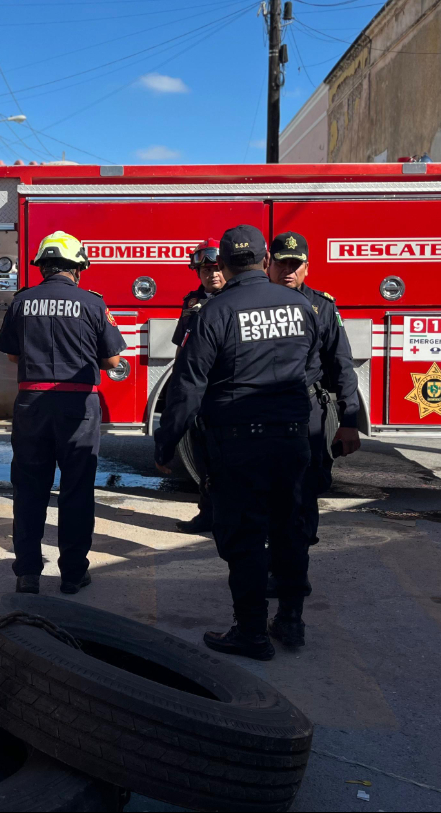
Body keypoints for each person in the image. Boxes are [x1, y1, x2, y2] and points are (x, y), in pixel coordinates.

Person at [154, 225, 318, 661]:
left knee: (244, 538)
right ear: (266, 261)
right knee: (290, 531)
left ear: (223, 265)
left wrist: (166, 443)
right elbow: (311, 367)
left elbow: (188, 386)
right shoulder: (302, 305)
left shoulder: (214, 312)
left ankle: (251, 633)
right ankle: (291, 620)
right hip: (291, 439)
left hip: (238, 444)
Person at [0, 231, 126, 596]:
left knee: (29, 491)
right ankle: (72, 574)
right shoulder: (93, 304)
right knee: (76, 491)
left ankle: (27, 574)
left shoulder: (22, 302)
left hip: (31, 405)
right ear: (78, 268)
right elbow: (113, 359)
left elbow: (10, 355)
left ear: (42, 267)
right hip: (77, 408)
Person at [264, 232, 360, 639]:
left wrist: (350, 421)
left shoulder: (323, 307)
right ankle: (278, 576)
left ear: (307, 266)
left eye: (295, 264)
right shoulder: (253, 303)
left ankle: (291, 602)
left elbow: (342, 365)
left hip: (306, 415)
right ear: (268, 264)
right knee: (265, 508)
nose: (288, 271)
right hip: (261, 415)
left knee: (300, 507)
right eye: (281, 263)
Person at [172, 237, 226, 533]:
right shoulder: (192, 302)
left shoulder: (237, 299)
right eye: (205, 269)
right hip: (201, 395)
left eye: (217, 268)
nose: (212, 274)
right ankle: (207, 514)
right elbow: (182, 347)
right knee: (202, 460)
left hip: (229, 395)